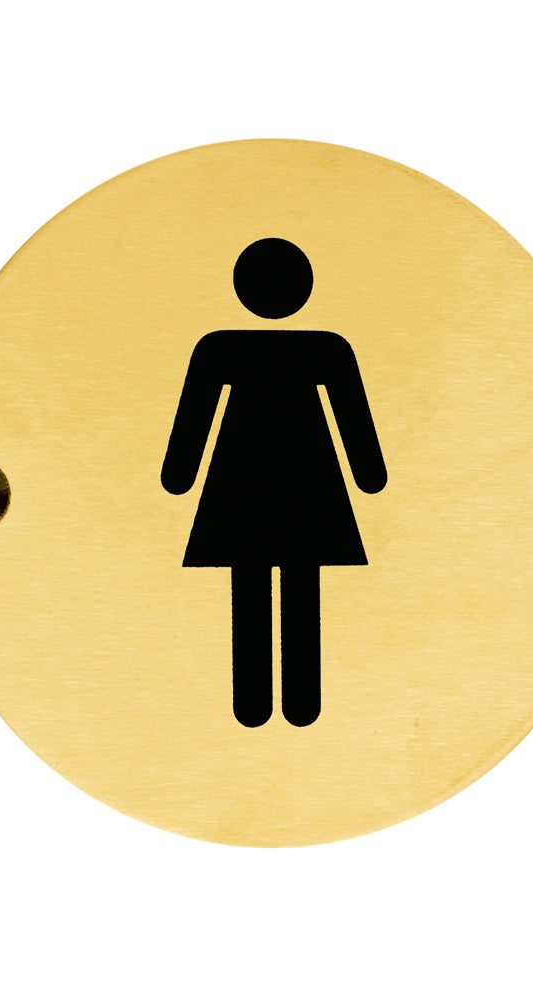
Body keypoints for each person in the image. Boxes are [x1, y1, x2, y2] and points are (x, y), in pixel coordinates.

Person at [161, 238, 386, 728]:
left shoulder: (220, 347)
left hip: (238, 482)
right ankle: (300, 705)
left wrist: (179, 476)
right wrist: (369, 476)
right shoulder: (326, 348)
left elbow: (193, 423)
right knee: (301, 584)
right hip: (310, 482)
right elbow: (354, 424)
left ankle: (254, 705)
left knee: (250, 585)